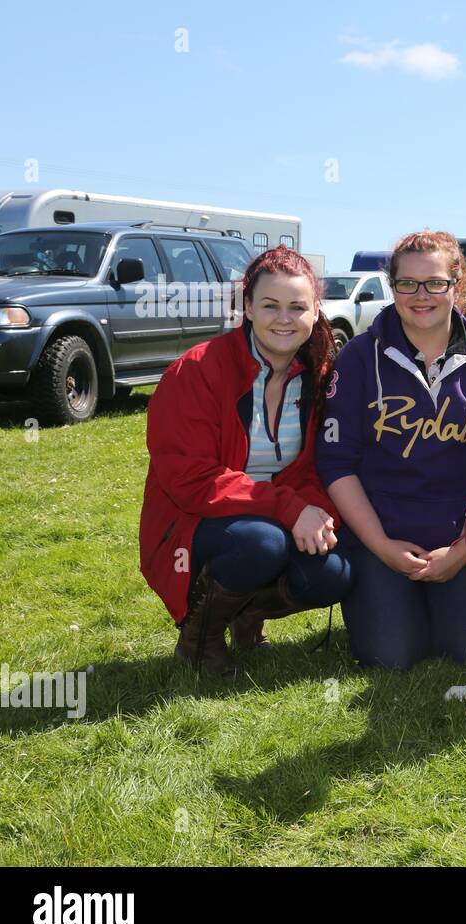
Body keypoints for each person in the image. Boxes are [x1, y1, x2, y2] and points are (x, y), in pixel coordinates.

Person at [139, 246, 352, 677]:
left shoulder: (319, 377)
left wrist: (315, 513)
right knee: (262, 544)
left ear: (315, 313)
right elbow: (189, 479)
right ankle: (200, 639)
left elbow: (318, 465)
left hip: (272, 519)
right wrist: (290, 510)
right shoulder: (196, 370)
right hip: (193, 523)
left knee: (334, 573)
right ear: (248, 308)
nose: (284, 318)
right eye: (270, 305)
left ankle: (246, 611)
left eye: (297, 307)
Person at [316, 230, 466, 670]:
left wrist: (462, 550)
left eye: (435, 283)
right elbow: (336, 463)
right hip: (381, 536)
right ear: (392, 285)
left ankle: (443, 601)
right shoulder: (359, 358)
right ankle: (393, 599)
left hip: (461, 539)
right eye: (407, 283)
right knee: (391, 655)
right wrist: (382, 546)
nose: (421, 295)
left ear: (456, 284)